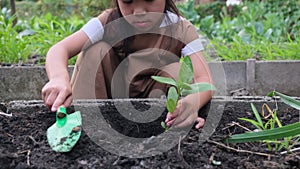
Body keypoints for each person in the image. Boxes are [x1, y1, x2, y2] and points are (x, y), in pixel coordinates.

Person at [42, 0, 214, 129]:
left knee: (176, 70)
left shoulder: (181, 28)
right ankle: (85, 121)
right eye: (128, 1)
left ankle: (173, 119)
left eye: (149, 0)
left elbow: (204, 79)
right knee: (95, 51)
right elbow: (60, 49)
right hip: (109, 97)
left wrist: (191, 104)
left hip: (157, 105)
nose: (139, 11)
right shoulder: (108, 21)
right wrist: (58, 79)